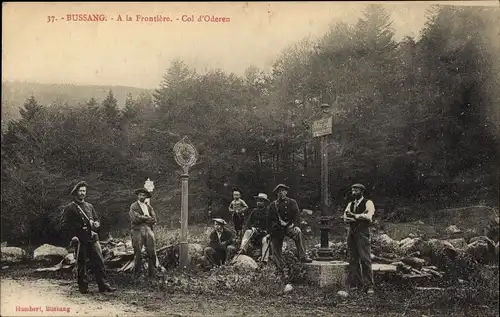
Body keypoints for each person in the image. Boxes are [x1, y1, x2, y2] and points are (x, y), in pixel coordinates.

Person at [60, 181, 116, 294]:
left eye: (84, 191)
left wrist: (97, 223)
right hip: (80, 239)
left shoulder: (89, 206)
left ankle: (104, 285)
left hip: (92, 237)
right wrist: (73, 236)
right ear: (76, 192)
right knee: (82, 263)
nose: (82, 193)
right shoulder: (70, 207)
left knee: (99, 261)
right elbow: (64, 225)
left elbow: (96, 219)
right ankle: (83, 287)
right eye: (80, 191)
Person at [267, 184, 313, 277]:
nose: (281, 193)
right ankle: (282, 269)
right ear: (277, 193)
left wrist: (296, 225)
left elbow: (297, 215)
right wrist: (270, 232)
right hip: (277, 229)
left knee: (298, 233)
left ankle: (303, 256)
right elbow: (269, 219)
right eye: (279, 191)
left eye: (283, 191)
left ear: (286, 192)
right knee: (275, 248)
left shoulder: (292, 202)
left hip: (289, 227)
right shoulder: (273, 205)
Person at [343, 183, 376, 295]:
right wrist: (358, 216)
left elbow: (369, 216)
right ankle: (356, 284)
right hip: (351, 232)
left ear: (361, 191)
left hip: (362, 232)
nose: (353, 193)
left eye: (356, 190)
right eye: (352, 190)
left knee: (365, 258)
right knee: (353, 258)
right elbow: (345, 217)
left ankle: (369, 286)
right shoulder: (350, 204)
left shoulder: (368, 202)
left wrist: (354, 216)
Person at [129, 188, 158, 279]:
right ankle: (137, 276)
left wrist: (142, 217)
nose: (142, 196)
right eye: (140, 195)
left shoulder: (149, 207)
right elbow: (134, 219)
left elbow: (154, 219)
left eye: (144, 195)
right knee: (138, 252)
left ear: (146, 197)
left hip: (148, 230)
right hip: (137, 230)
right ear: (138, 196)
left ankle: (152, 275)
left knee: (151, 251)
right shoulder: (133, 206)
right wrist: (146, 217)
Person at [237, 193, 271, 263]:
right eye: (258, 200)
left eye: (261, 201)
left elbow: (271, 226)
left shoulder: (269, 212)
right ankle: (243, 249)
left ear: (264, 202)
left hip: (264, 234)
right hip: (254, 233)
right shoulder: (254, 211)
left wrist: (267, 232)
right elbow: (248, 223)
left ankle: (264, 260)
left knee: (265, 240)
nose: (259, 202)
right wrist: (252, 227)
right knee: (248, 232)